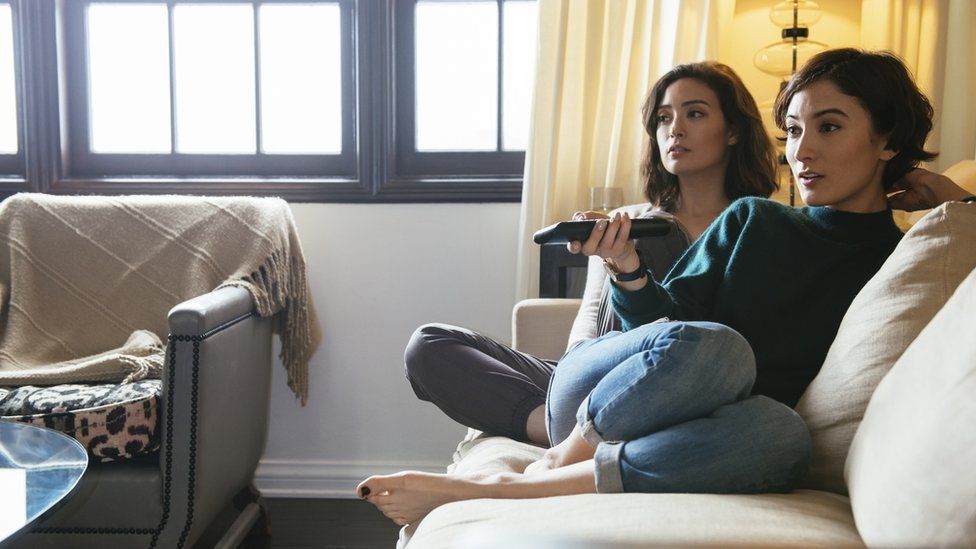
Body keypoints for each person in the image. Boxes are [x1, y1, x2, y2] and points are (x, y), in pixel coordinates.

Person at [358, 48, 973, 526]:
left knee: (783, 436)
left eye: (829, 127)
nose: (802, 150)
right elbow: (665, 326)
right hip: (618, 395)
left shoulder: (904, 260)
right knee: (723, 347)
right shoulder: (755, 219)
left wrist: (960, 205)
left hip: (703, 429)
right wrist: (627, 268)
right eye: (792, 130)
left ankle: (516, 485)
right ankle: (558, 452)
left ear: (887, 139)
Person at [403, 61, 778, 448]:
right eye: (663, 118)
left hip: (679, 383)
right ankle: (563, 430)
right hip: (598, 370)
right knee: (429, 345)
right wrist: (611, 262)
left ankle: (577, 428)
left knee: (659, 243)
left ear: (733, 130)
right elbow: (588, 332)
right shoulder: (629, 222)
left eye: (695, 113)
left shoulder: (756, 226)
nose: (675, 129)